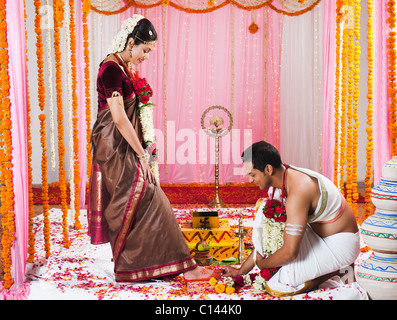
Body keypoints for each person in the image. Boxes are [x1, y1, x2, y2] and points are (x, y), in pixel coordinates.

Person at [87, 15, 217, 282]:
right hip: (115, 145)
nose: (146, 56)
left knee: (147, 197)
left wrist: (144, 149)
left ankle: (141, 264)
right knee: (143, 195)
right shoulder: (111, 69)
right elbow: (119, 117)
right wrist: (143, 154)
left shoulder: (123, 68)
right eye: (145, 50)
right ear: (131, 42)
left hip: (125, 142)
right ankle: (168, 264)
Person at [223, 141, 360, 296]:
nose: (250, 180)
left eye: (252, 174)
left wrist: (262, 265)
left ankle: (340, 269)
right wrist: (242, 270)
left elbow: (289, 253)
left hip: (341, 245)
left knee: (280, 283)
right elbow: (267, 237)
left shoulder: (299, 190)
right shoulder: (280, 181)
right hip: (318, 235)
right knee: (266, 215)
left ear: (268, 169)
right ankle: (330, 267)